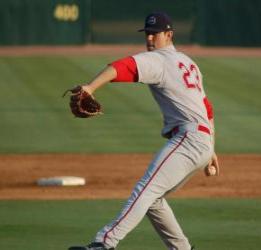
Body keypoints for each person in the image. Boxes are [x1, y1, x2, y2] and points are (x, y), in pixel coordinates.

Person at [69, 12, 219, 250]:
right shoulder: (188, 62)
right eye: (147, 33)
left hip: (188, 139)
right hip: (200, 140)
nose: (150, 38)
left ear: (169, 35)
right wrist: (211, 148)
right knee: (153, 199)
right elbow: (206, 108)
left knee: (145, 189)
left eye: (155, 34)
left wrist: (90, 87)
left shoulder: (158, 60)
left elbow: (121, 67)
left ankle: (104, 243)